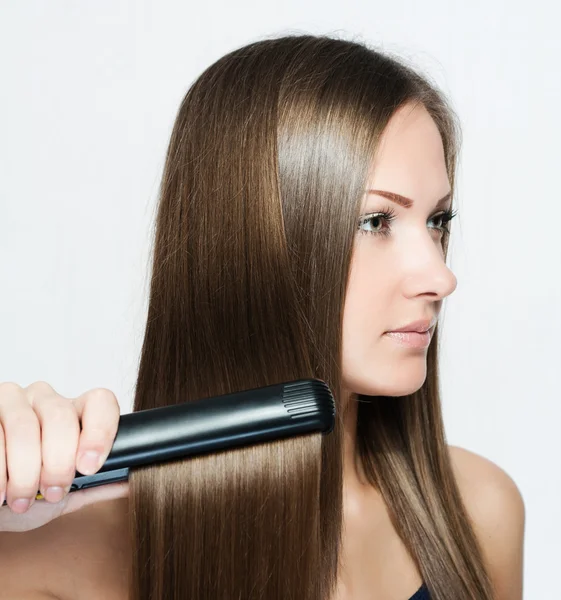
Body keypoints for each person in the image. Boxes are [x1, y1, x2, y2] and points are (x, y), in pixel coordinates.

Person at [0, 33, 525, 600]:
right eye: (376, 222)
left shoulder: (480, 513)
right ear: (255, 243)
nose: (441, 278)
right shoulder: (52, 558)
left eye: (438, 221)